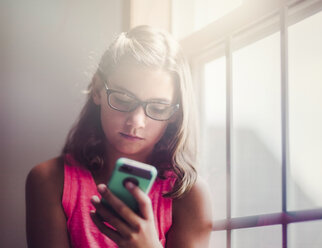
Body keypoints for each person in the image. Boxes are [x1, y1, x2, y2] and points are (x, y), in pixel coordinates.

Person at [26, 25, 212, 248]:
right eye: (123, 99)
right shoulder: (51, 181)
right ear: (97, 90)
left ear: (175, 113)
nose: (136, 121)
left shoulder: (188, 195)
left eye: (158, 108)